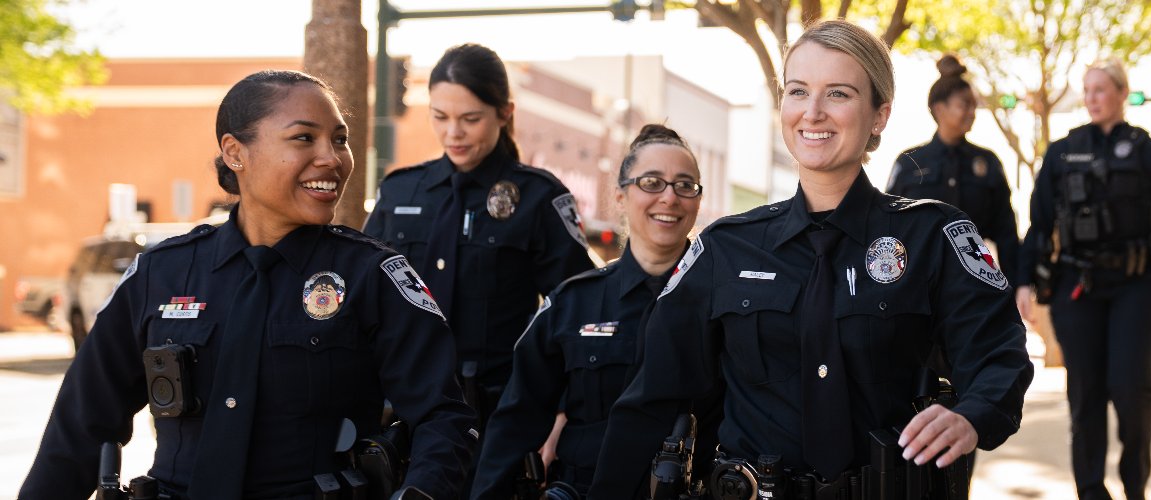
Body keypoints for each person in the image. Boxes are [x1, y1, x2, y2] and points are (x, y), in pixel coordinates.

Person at [590, 20, 1034, 499]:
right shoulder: (724, 248)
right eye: (798, 91)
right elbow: (651, 402)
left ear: (879, 115)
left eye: (838, 94)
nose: (813, 112)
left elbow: (997, 355)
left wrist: (973, 415)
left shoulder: (934, 237)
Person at [20, 70, 476, 499]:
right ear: (235, 152)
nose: (332, 158)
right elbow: (80, 427)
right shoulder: (160, 276)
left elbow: (443, 419)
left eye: (340, 140)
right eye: (304, 138)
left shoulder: (373, 275)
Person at [364, 43, 597, 426]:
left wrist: (562, 411)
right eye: (439, 116)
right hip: (405, 407)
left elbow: (578, 311)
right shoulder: (400, 191)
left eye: (470, 119)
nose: (452, 133)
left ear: (505, 112)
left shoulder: (540, 198)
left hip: (499, 412)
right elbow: (368, 298)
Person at [469, 124, 705, 498]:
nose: (670, 198)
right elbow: (515, 422)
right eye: (652, 183)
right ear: (621, 196)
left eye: (685, 185)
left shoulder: (722, 303)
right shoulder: (573, 303)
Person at [1013, 60, 1151, 500]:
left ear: (1122, 93)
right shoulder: (1062, 153)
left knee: (1131, 390)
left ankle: (1135, 486)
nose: (1091, 98)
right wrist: (1024, 283)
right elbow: (1038, 224)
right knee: (1085, 394)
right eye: (1087, 90)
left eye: (1100, 89)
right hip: (1079, 286)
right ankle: (1090, 491)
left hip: (1137, 287)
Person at [887, 54, 1021, 277]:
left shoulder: (987, 161)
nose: (972, 112)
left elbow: (1006, 231)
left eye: (974, 106)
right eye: (964, 105)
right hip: (919, 280)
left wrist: (1016, 286)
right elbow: (889, 226)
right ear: (939, 109)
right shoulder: (909, 162)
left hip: (975, 281)